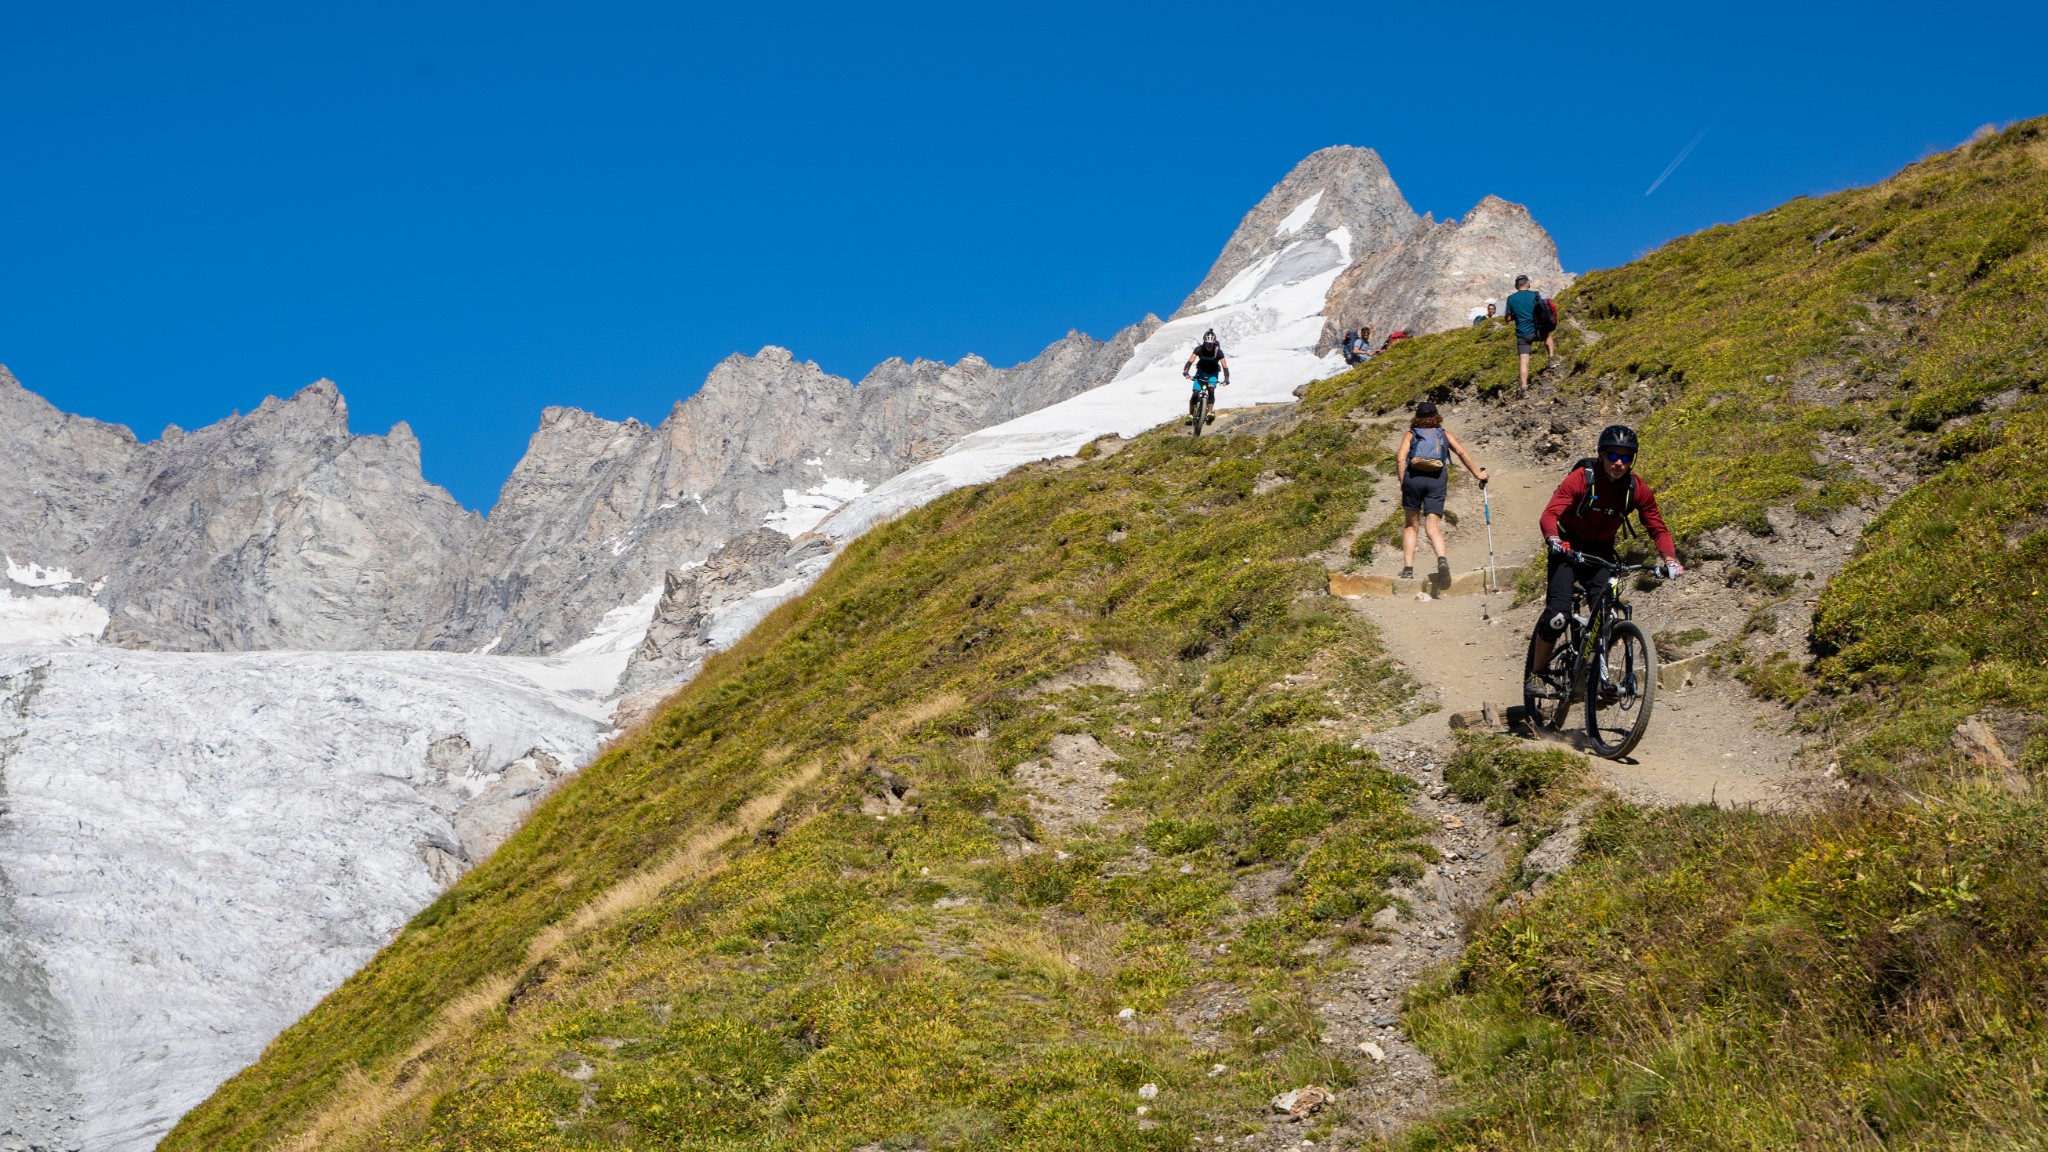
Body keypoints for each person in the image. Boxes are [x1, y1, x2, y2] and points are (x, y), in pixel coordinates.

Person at [1525, 425, 1685, 693]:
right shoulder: (1582, 478)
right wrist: (1554, 540)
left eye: (1626, 457)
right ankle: (1537, 674)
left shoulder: (1636, 488)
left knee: (1606, 615)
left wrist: (1669, 558)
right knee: (1557, 618)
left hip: (1600, 552)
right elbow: (1549, 514)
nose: (1619, 463)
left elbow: (1657, 527)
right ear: (1601, 455)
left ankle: (1594, 676)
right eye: (1613, 456)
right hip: (1566, 547)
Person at [1395, 401, 1488, 580]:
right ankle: (1442, 558)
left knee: (1411, 526)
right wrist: (1477, 474)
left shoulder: (1411, 434)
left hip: (1413, 479)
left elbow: (1401, 459)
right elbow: (1461, 452)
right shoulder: (1444, 434)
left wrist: (1403, 482)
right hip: (1436, 480)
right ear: (1437, 415)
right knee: (1433, 526)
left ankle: (1408, 569)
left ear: (1417, 417)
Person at [1503, 276, 1547, 390]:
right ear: (1528, 284)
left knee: (1523, 360)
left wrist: (1514, 316)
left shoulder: (1511, 298)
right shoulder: (1534, 295)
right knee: (1548, 336)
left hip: (1522, 334)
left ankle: (1523, 386)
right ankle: (1552, 358)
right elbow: (1541, 309)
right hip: (1536, 330)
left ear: (1516, 286)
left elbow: (1507, 318)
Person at [1182, 329, 1230, 423]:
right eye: (1207, 343)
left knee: (1211, 390)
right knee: (1195, 393)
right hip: (1201, 372)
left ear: (1214, 343)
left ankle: (1210, 413)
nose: (1209, 346)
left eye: (1211, 344)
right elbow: (1190, 361)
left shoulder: (1218, 352)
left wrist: (1226, 379)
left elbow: (1225, 367)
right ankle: (1191, 415)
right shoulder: (1199, 349)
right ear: (1204, 342)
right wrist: (1186, 371)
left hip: (1213, 373)